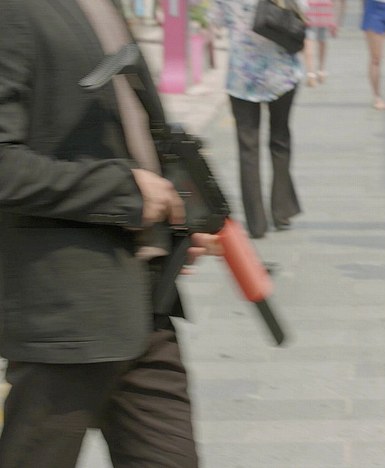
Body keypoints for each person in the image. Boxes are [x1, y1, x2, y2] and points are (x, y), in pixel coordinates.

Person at [0, 0, 222, 466]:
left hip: (144, 304)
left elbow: (126, 132)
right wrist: (123, 192)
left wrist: (177, 212)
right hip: (66, 313)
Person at [211, 0, 303, 238]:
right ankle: (282, 211)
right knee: (280, 140)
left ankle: (256, 223)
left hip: (242, 76)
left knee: (248, 150)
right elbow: (302, 10)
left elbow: (217, 21)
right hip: (281, 74)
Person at [303, 0, 339, 87]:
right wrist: (334, 21)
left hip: (309, 7)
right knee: (322, 40)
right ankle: (321, 71)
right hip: (324, 8)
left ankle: (311, 74)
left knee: (308, 41)